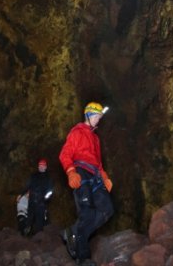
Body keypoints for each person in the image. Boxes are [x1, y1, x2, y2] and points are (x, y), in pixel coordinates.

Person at [59, 102, 114, 265]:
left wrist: (104, 176)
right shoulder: (77, 132)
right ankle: (83, 258)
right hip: (81, 173)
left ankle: (74, 233)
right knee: (87, 213)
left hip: (95, 176)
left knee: (107, 209)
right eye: (96, 117)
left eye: (99, 117)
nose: (98, 120)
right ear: (88, 116)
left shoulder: (95, 138)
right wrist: (71, 172)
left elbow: (98, 162)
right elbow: (65, 154)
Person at [21, 158, 53, 235]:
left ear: (45, 167)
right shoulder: (33, 176)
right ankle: (25, 233)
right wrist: (21, 194)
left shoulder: (48, 178)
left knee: (39, 221)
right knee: (29, 218)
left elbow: (50, 192)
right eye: (40, 165)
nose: (41, 167)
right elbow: (27, 185)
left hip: (41, 203)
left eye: (43, 166)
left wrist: (44, 200)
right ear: (38, 167)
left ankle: (39, 237)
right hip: (32, 200)